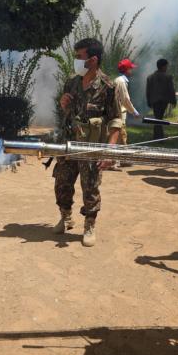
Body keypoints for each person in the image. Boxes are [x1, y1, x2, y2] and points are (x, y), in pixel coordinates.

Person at [53, 38, 122, 247]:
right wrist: (63, 104)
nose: (75, 60)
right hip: (69, 143)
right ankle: (66, 217)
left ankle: (89, 225)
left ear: (93, 60)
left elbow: (116, 121)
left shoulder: (108, 86)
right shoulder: (72, 81)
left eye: (79, 57)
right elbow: (68, 112)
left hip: (91, 146)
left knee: (90, 188)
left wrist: (109, 151)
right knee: (62, 183)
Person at [113, 58, 141, 166]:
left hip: (120, 112)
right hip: (119, 112)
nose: (132, 71)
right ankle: (118, 161)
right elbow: (125, 100)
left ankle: (122, 160)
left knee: (121, 136)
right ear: (127, 69)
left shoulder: (121, 80)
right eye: (130, 68)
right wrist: (134, 112)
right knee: (120, 135)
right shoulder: (121, 81)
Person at [146, 59, 177, 141]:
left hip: (154, 101)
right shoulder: (168, 77)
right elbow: (171, 90)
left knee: (158, 117)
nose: (167, 68)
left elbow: (148, 90)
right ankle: (159, 137)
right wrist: (173, 101)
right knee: (159, 118)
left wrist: (148, 101)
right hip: (163, 101)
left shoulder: (150, 77)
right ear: (163, 66)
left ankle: (157, 136)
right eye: (166, 66)